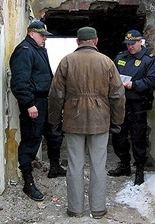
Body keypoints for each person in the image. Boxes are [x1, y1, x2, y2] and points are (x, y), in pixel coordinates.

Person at [48, 26, 125, 219]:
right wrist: (117, 121)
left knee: (75, 165)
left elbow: (56, 95)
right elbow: (117, 95)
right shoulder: (107, 62)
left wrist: (55, 121)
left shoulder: (67, 61)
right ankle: (98, 209)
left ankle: (75, 209)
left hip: (74, 120)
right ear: (96, 41)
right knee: (99, 165)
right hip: (100, 120)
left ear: (78, 42)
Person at [9, 21, 66, 201]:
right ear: (32, 34)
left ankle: (55, 167)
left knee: (54, 134)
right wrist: (28, 103)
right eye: (42, 36)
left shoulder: (38, 49)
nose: (45, 40)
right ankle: (28, 182)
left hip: (46, 101)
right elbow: (19, 82)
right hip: (35, 103)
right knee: (31, 140)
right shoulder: (24, 51)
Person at [108, 29, 155, 185]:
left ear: (140, 42)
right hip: (120, 103)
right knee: (119, 135)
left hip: (139, 103)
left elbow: (154, 81)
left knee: (138, 137)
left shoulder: (150, 60)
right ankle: (124, 164)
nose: (130, 47)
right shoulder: (120, 57)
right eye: (128, 44)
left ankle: (139, 168)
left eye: (133, 44)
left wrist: (134, 85)